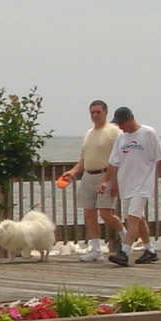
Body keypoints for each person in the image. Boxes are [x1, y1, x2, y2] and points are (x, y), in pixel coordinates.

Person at [100, 107, 161, 266]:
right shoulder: (121, 137)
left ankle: (125, 252)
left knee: (133, 217)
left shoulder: (148, 133)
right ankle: (149, 250)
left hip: (143, 183)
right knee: (137, 218)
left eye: (123, 123)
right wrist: (107, 181)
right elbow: (114, 162)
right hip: (126, 184)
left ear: (131, 118)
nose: (121, 126)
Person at [57, 99, 121, 260]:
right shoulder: (89, 133)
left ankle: (126, 236)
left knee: (106, 213)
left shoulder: (114, 131)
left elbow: (120, 158)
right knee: (89, 212)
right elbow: (83, 161)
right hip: (88, 176)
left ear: (105, 112)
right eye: (92, 112)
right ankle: (96, 250)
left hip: (106, 174)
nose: (95, 115)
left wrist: (116, 182)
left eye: (98, 112)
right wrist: (72, 172)